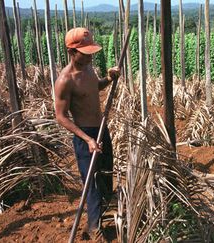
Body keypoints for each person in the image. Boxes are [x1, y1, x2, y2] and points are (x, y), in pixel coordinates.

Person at [54, 27, 120, 239]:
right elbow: (61, 116)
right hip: (85, 136)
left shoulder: (89, 68)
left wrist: (109, 79)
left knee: (106, 175)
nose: (91, 55)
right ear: (72, 52)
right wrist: (87, 139)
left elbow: (94, 88)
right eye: (86, 51)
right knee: (91, 182)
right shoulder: (65, 80)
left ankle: (103, 215)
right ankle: (93, 227)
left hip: (101, 129)